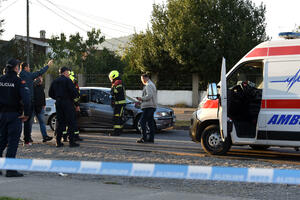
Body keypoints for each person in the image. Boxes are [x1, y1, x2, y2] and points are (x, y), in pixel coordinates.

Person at [0, 58, 30, 177]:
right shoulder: (19, 81)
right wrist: (26, 114)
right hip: (14, 116)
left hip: (2, 115)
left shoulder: (1, 80)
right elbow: (27, 100)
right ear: (16, 68)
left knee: (1, 141)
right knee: (12, 143)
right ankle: (10, 170)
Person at [20, 60, 53, 145]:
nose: (29, 68)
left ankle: (25, 138)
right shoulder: (27, 75)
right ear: (25, 67)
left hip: (20, 101)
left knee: (23, 121)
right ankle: (27, 139)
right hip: (29, 102)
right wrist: (48, 65)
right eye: (28, 67)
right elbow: (39, 72)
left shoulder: (19, 75)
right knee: (27, 121)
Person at [48, 67, 80, 147]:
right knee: (71, 122)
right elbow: (75, 92)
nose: (68, 74)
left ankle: (58, 142)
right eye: (68, 72)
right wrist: (71, 98)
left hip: (58, 103)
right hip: (67, 103)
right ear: (65, 72)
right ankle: (71, 142)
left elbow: (50, 93)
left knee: (60, 122)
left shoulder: (54, 81)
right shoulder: (68, 80)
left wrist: (58, 98)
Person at [136, 73, 157, 143]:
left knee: (142, 122)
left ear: (145, 78)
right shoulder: (152, 84)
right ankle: (151, 138)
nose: (141, 81)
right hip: (152, 106)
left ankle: (144, 138)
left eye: (142, 79)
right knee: (150, 123)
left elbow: (149, 95)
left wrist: (141, 98)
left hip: (148, 106)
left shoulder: (148, 85)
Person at [62, 71, 82, 142]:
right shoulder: (71, 83)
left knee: (68, 122)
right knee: (71, 122)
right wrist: (77, 105)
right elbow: (75, 96)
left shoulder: (66, 82)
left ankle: (67, 137)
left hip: (67, 104)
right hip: (70, 105)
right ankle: (71, 137)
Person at [33, 76, 53, 142]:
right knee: (29, 123)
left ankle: (45, 137)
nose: (42, 80)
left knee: (42, 123)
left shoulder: (41, 87)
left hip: (40, 107)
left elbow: (43, 96)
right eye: (41, 79)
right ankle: (27, 138)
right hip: (33, 107)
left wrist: (44, 104)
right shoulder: (32, 86)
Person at [108, 70, 126, 136]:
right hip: (118, 103)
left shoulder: (118, 83)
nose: (110, 79)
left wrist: (112, 90)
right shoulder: (117, 82)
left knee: (117, 117)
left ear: (114, 76)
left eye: (111, 78)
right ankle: (119, 131)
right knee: (118, 117)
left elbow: (117, 91)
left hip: (119, 104)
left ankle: (117, 132)